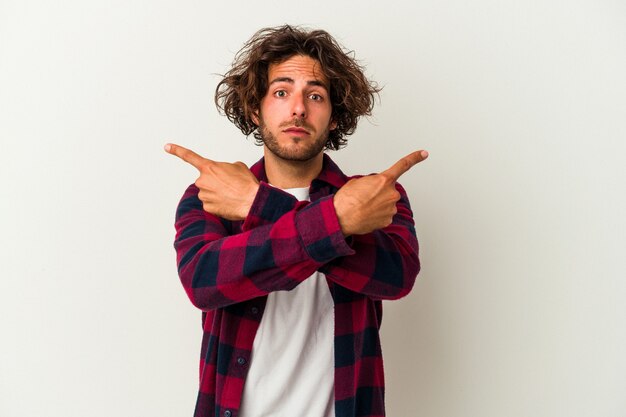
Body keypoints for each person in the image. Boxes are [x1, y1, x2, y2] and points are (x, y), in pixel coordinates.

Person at [165, 25, 428, 417]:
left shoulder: (372, 198)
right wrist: (338, 223)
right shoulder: (214, 194)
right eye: (282, 91)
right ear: (256, 110)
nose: (298, 108)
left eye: (316, 96)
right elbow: (204, 282)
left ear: (335, 117)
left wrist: (257, 203)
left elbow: (395, 275)